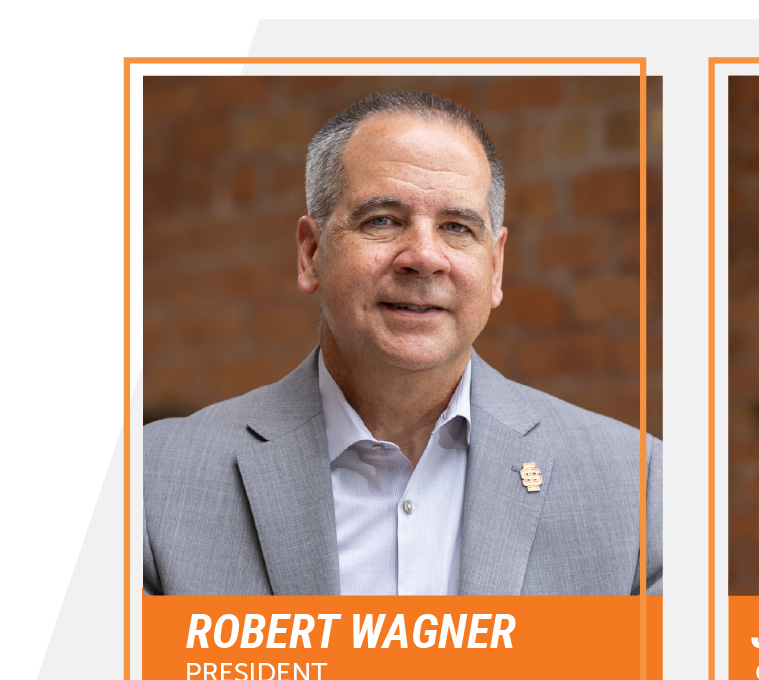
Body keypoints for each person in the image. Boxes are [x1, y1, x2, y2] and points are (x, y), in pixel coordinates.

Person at [144, 92, 662, 596]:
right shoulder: (151, 484)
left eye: (457, 227)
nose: (423, 256)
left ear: (496, 266)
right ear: (310, 253)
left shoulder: (636, 488)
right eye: (382, 221)